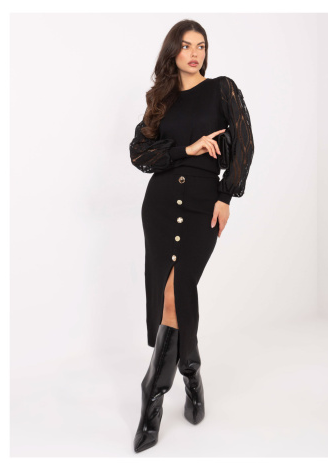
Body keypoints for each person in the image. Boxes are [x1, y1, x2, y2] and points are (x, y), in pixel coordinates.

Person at [129, 19, 255, 453]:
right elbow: (139, 154)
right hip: (161, 203)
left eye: (201, 46)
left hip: (204, 202)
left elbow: (244, 145)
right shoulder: (160, 101)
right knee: (171, 294)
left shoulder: (222, 89)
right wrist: (188, 148)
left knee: (181, 287)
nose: (194, 53)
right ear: (173, 52)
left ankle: (160, 386)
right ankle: (179, 381)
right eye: (185, 46)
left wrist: (226, 196)